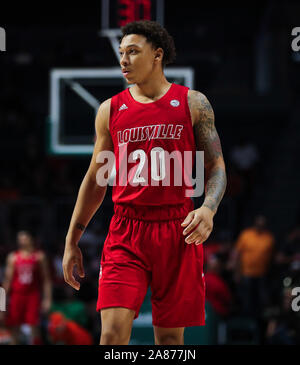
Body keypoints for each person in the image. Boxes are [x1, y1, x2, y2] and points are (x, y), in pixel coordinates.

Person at [63, 20, 227, 345]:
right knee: (110, 336)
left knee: (168, 342)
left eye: (133, 52)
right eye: (121, 53)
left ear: (157, 55)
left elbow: (217, 167)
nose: (123, 60)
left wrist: (208, 209)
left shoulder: (194, 103)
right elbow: (96, 181)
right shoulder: (109, 110)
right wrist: (71, 240)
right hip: (127, 230)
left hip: (178, 229)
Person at [2, 230, 52, 344]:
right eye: (20, 239)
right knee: (14, 328)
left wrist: (47, 299)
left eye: (24, 238)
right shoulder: (13, 257)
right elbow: (7, 281)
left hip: (32, 295)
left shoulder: (39, 256)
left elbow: (46, 280)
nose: (22, 241)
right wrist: (1, 304)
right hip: (16, 295)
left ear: (31, 239)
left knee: (35, 328)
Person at [228, 215, 274, 318]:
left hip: (262, 273)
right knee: (246, 298)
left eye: (262, 224)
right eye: (258, 224)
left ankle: (260, 320)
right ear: (255, 224)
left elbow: (270, 257)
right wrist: (236, 271)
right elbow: (236, 253)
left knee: (261, 299)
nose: (260, 226)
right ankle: (246, 318)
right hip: (246, 272)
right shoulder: (246, 235)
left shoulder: (269, 238)